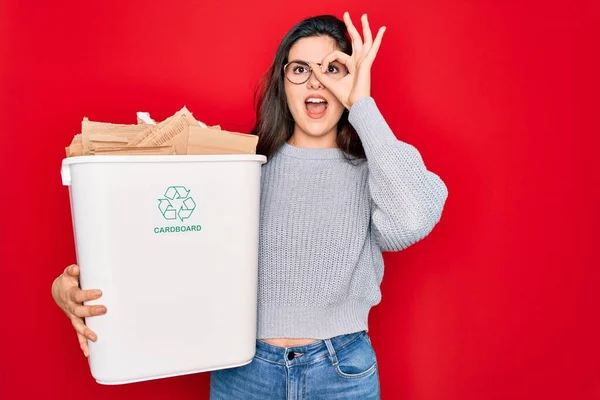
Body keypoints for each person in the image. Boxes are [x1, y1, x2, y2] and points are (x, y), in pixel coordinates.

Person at [51, 11, 448, 399]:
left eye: (333, 69)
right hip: (244, 370)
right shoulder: (238, 168)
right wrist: (66, 288)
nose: (315, 81)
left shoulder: (376, 172)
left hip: (341, 371)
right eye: (300, 69)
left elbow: (413, 217)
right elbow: (162, 246)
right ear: (283, 82)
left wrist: (364, 106)